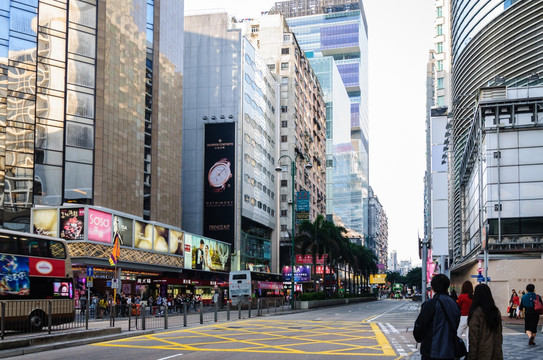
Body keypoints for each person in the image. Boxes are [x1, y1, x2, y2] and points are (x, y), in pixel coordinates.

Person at [413, 274, 460, 360]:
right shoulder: (454, 304)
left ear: (432, 287)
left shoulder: (430, 304)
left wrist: (419, 338)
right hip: (450, 351)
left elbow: (420, 326)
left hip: (432, 351)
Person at [468, 284, 503, 359]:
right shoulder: (495, 311)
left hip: (481, 353)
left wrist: (472, 357)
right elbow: (499, 335)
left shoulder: (476, 312)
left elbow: (473, 338)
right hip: (495, 352)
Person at [456, 280, 473, 350]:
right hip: (471, 317)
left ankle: (458, 349)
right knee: (469, 336)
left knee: (458, 334)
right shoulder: (473, 297)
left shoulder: (461, 297)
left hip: (463, 317)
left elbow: (458, 306)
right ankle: (469, 352)